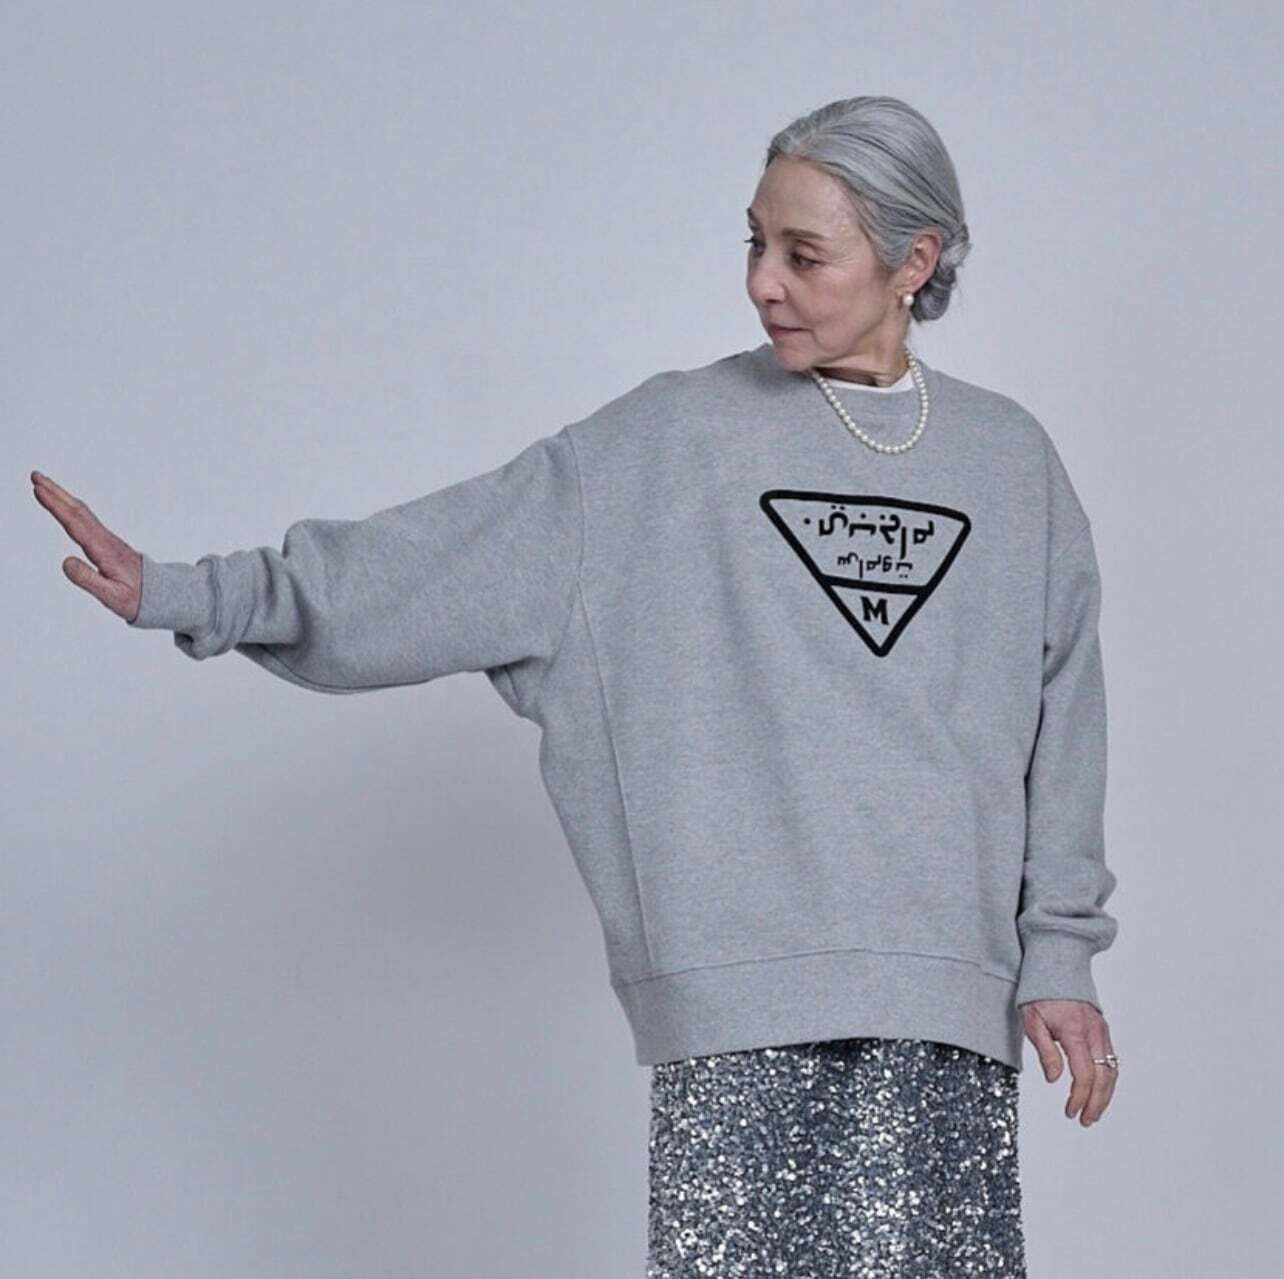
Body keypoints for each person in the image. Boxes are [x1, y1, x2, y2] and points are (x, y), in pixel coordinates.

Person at [32, 93, 1119, 1276]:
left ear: (914, 261)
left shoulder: (1011, 463)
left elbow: (1061, 723)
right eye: (754, 243)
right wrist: (194, 593)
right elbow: (434, 562)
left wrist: (1058, 955)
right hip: (740, 1026)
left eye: (804, 255)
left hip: (948, 1021)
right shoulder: (670, 442)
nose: (763, 282)